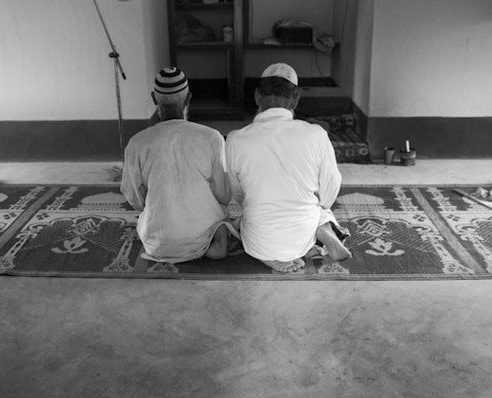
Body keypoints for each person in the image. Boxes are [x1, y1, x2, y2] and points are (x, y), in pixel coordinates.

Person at [225, 63, 351, 272]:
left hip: (260, 242)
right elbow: (331, 188)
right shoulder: (316, 134)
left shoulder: (235, 139)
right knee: (320, 209)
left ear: (257, 97)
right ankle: (322, 231)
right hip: (303, 232)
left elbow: (237, 193)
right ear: (296, 98)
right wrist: (317, 206)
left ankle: (274, 255)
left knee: (241, 220)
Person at [121, 67, 234, 264]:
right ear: (188, 98)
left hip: (158, 243)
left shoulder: (138, 142)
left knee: (149, 216)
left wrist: (156, 205)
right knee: (223, 217)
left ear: (154, 99)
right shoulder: (211, 137)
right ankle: (214, 242)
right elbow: (224, 195)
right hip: (203, 236)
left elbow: (132, 195)